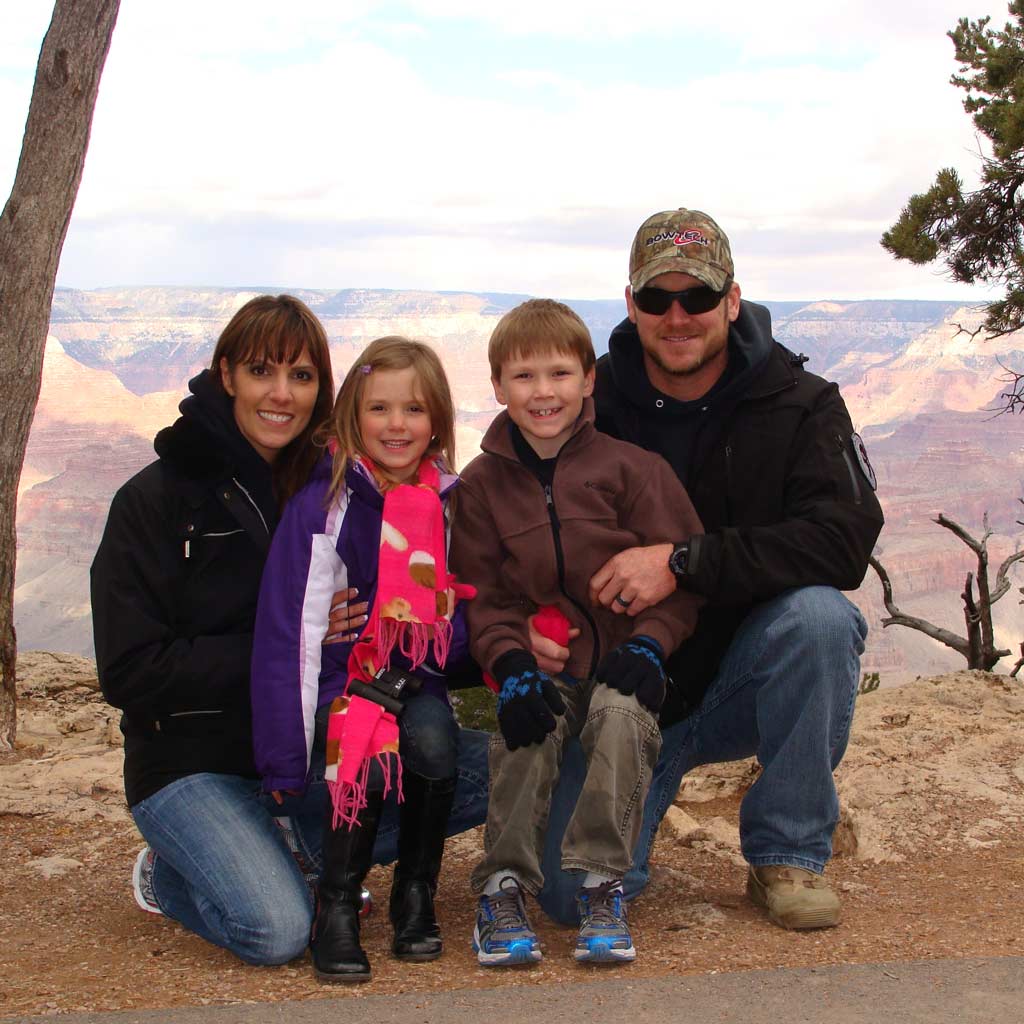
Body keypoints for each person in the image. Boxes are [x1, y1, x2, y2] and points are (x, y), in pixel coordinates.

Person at [531, 209, 884, 931]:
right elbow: (517, 517)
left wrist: (684, 563)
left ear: (731, 298)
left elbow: (843, 541)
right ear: (632, 305)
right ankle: (631, 817)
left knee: (819, 619)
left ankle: (788, 851)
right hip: (624, 700)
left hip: (743, 681)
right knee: (570, 902)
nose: (678, 315)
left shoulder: (800, 403)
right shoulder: (590, 405)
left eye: (697, 296)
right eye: (658, 299)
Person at [449, 300, 703, 967]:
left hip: (624, 664)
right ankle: (501, 890)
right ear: (498, 387)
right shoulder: (479, 489)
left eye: (559, 373)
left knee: (621, 717)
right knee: (523, 726)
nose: (543, 392)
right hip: (547, 668)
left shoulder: (634, 470)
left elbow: (686, 578)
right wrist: (508, 663)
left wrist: (650, 643)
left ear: (590, 379)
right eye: (524, 377)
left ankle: (601, 885)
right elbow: (482, 596)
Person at [90, 295, 336, 965]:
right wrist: (292, 645)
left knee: (465, 773)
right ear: (226, 375)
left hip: (300, 751)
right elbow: (130, 671)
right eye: (263, 371)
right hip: (187, 763)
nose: (282, 395)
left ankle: (274, 842)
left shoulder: (331, 487)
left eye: (303, 376)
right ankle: (171, 873)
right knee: (279, 931)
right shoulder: (156, 500)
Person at [251, 337, 474, 983]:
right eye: (379, 409)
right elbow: (289, 635)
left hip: (415, 684)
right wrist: (284, 762)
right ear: (352, 414)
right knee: (367, 755)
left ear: (437, 421)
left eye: (414, 410)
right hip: (341, 684)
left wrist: (438, 632)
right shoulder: (325, 507)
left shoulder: (446, 505)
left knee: (434, 744)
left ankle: (415, 891)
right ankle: (339, 904)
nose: (397, 425)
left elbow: (458, 628)